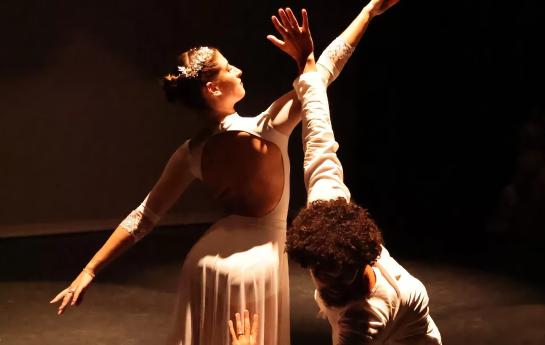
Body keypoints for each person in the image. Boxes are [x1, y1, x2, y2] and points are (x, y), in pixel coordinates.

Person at [50, 1, 399, 344]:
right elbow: (322, 73)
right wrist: (367, 12)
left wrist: (89, 271)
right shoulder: (268, 127)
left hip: (204, 264)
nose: (239, 71)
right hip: (255, 268)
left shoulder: (190, 153)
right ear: (213, 88)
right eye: (229, 68)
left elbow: (143, 217)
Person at [285, 1, 443, 344]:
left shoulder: (359, 323)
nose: (328, 281)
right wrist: (306, 64)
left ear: (362, 262)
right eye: (320, 272)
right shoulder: (327, 210)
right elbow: (318, 137)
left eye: (339, 275)